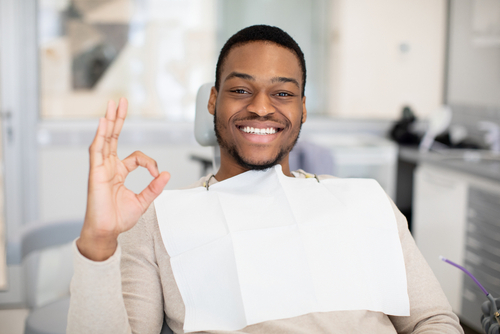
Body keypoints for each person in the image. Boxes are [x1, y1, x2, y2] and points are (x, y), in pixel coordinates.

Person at [68, 25, 463, 333]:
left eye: (283, 94)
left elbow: (434, 321)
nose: (260, 108)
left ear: (303, 109)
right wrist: (99, 243)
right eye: (240, 89)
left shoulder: (366, 202)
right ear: (213, 101)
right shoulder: (157, 220)